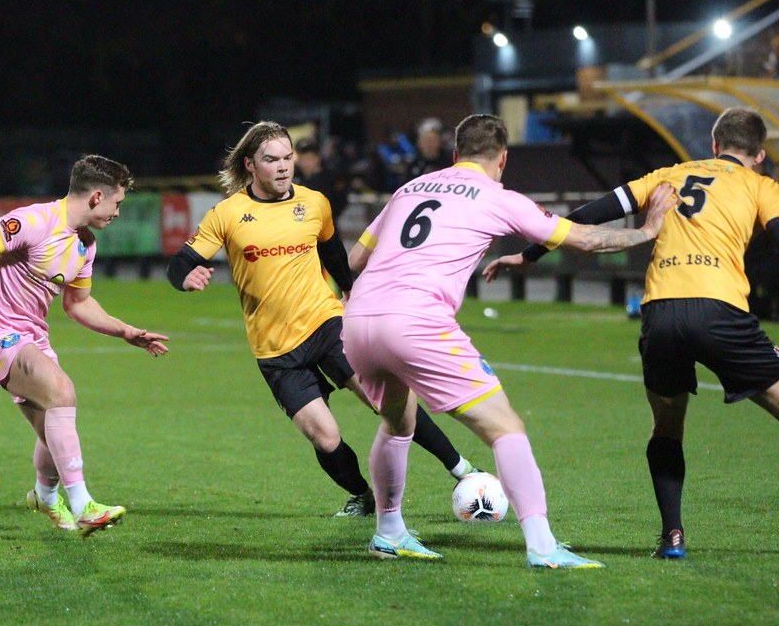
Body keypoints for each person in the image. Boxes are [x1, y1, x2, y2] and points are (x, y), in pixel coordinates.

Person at [343, 113, 675, 565]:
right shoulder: (498, 196)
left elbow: (356, 258)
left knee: (398, 423)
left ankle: (389, 531)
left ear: (455, 155)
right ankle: (542, 547)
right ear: (503, 158)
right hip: (415, 320)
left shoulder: (409, 189)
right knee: (506, 428)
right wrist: (648, 230)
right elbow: (585, 240)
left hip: (359, 319)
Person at [483, 107, 779, 560]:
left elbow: (591, 212)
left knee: (667, 429)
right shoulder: (762, 186)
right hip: (720, 311)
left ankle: (672, 536)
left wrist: (529, 255)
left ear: (715, 145)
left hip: (661, 313)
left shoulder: (667, 175)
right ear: (759, 155)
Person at [167, 120, 479, 518]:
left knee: (385, 400)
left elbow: (333, 254)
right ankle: (363, 497)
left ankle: (463, 471)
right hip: (275, 349)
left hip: (327, 323)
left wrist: (352, 293)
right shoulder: (227, 215)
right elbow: (181, 263)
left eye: (287, 157)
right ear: (249, 164)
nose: (282, 167)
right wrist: (186, 278)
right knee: (324, 436)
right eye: (271, 160)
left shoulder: (314, 203)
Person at [0, 154, 169, 537]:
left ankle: (44, 494)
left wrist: (125, 331)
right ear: (97, 196)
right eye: (117, 203)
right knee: (62, 392)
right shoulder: (35, 222)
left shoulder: (85, 245)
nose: (118, 212)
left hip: (32, 339)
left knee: (53, 433)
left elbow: (78, 304)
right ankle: (83, 504)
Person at [294, 137, 348, 228]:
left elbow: (340, 202)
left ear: (317, 158)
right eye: (302, 159)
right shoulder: (296, 178)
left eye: (309, 158)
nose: (305, 163)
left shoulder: (329, 179)